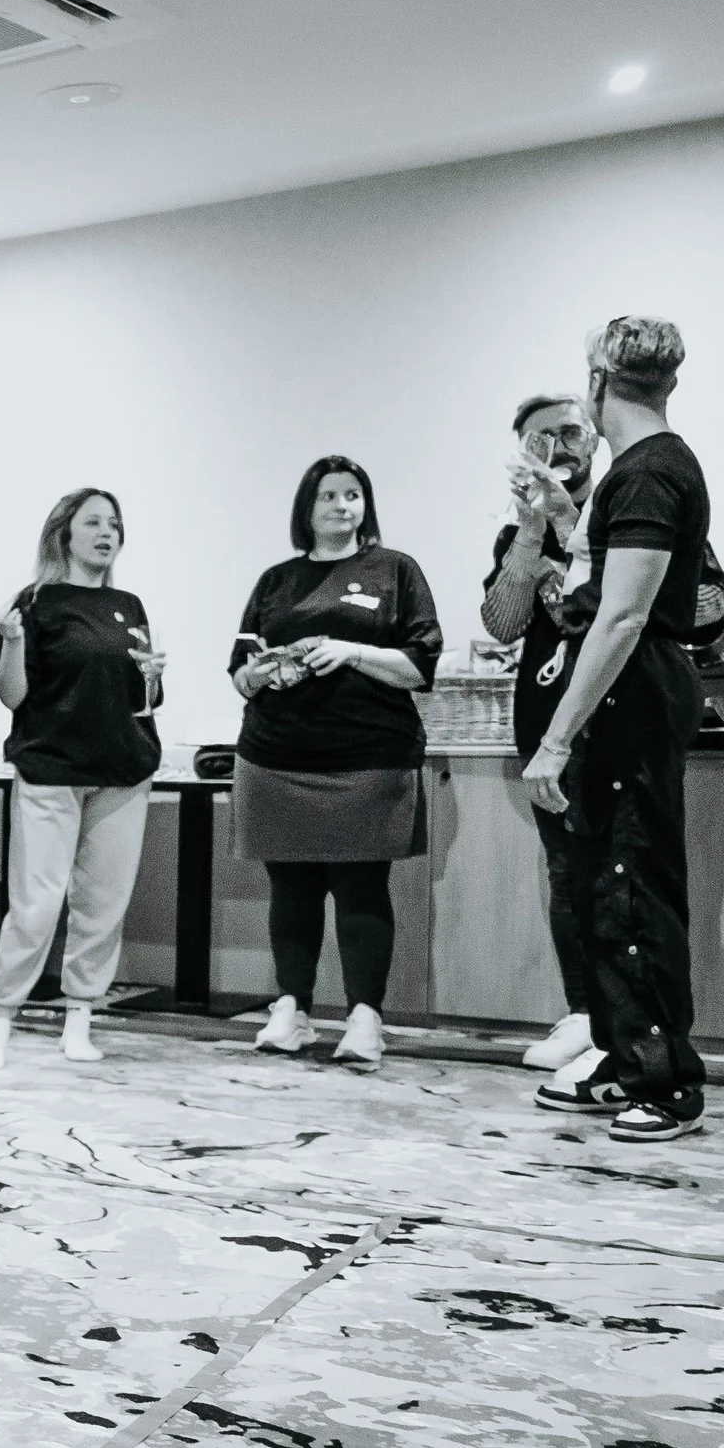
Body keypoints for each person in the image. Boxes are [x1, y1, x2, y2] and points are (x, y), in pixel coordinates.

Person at [526, 318, 709, 1142]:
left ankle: (666, 1080)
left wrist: (556, 738)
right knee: (605, 885)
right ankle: (620, 1052)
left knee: (632, 886)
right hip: (626, 690)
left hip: (631, 693)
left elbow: (623, 615)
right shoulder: (641, 473)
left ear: (599, 382)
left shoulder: (649, 472)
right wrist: (567, 520)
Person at [228, 456, 440, 1065]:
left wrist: (350, 650)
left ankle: (364, 1019)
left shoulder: (395, 570)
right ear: (307, 508)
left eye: (353, 495)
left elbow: (419, 667)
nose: (342, 506)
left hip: (368, 758)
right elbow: (240, 674)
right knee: (289, 888)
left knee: (361, 888)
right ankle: (291, 1009)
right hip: (274, 757)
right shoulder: (275, 580)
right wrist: (261, 671)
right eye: (328, 496)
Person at [0, 489, 164, 1070]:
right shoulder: (34, 603)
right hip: (51, 768)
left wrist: (152, 678)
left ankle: (81, 1016)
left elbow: (143, 702)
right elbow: (12, 695)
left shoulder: (129, 604)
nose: (107, 533)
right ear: (65, 533)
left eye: (115, 524)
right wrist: (11, 642)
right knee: (37, 903)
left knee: (102, 904)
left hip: (123, 771)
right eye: (94, 523)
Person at [481, 394, 604, 1076]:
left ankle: (625, 1021)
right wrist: (530, 529)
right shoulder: (519, 533)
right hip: (542, 723)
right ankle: (583, 1013)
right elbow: (503, 624)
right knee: (567, 872)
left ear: (592, 436)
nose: (556, 445)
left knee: (622, 873)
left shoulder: (621, 510)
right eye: (538, 438)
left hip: (615, 722)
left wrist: (566, 512)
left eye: (567, 431)